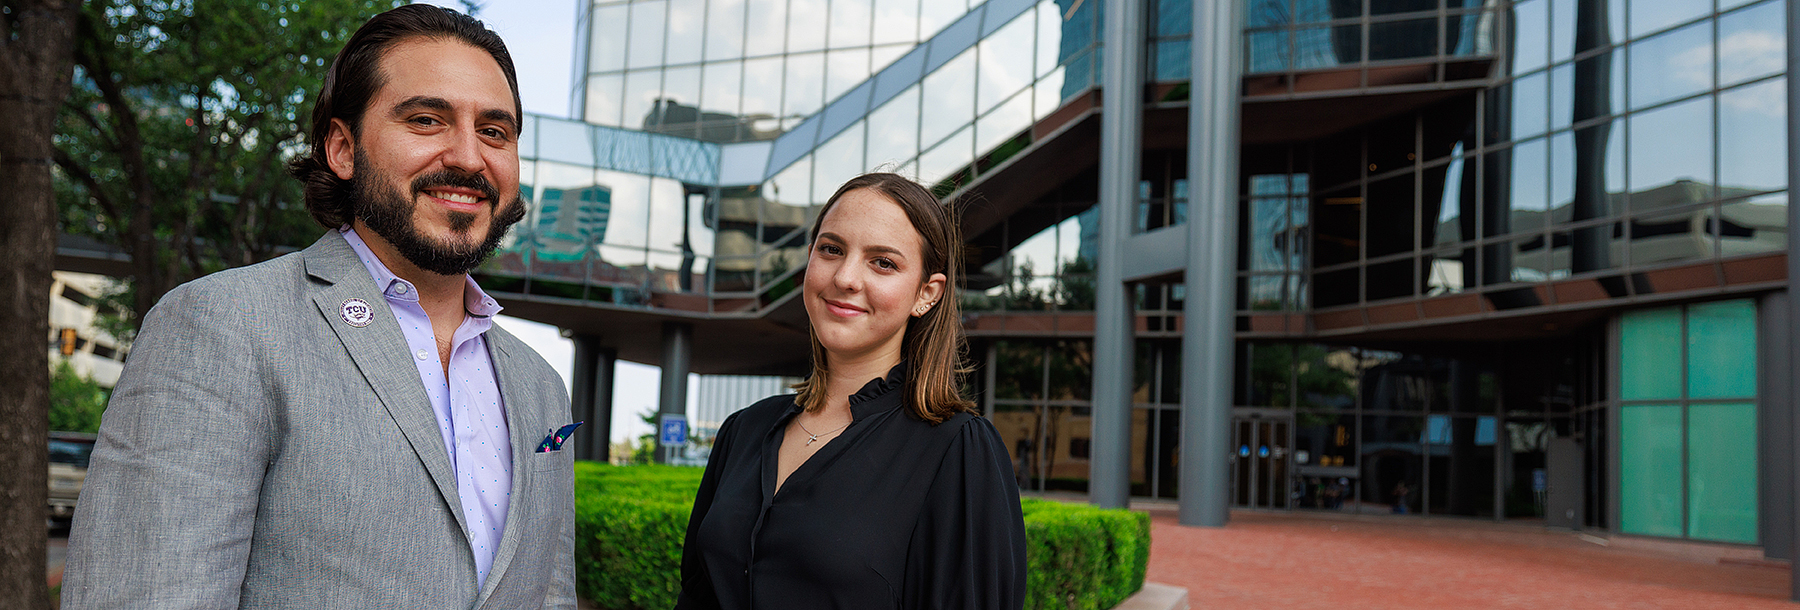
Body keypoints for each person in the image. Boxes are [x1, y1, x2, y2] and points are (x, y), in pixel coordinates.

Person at [61, 6, 576, 608]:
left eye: (495, 131)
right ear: (342, 149)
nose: (467, 156)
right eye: (427, 120)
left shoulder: (541, 388)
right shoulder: (221, 326)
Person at [675, 173, 1027, 610]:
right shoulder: (743, 430)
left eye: (883, 263)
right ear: (810, 259)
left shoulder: (957, 449)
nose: (845, 277)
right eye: (832, 249)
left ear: (926, 294)